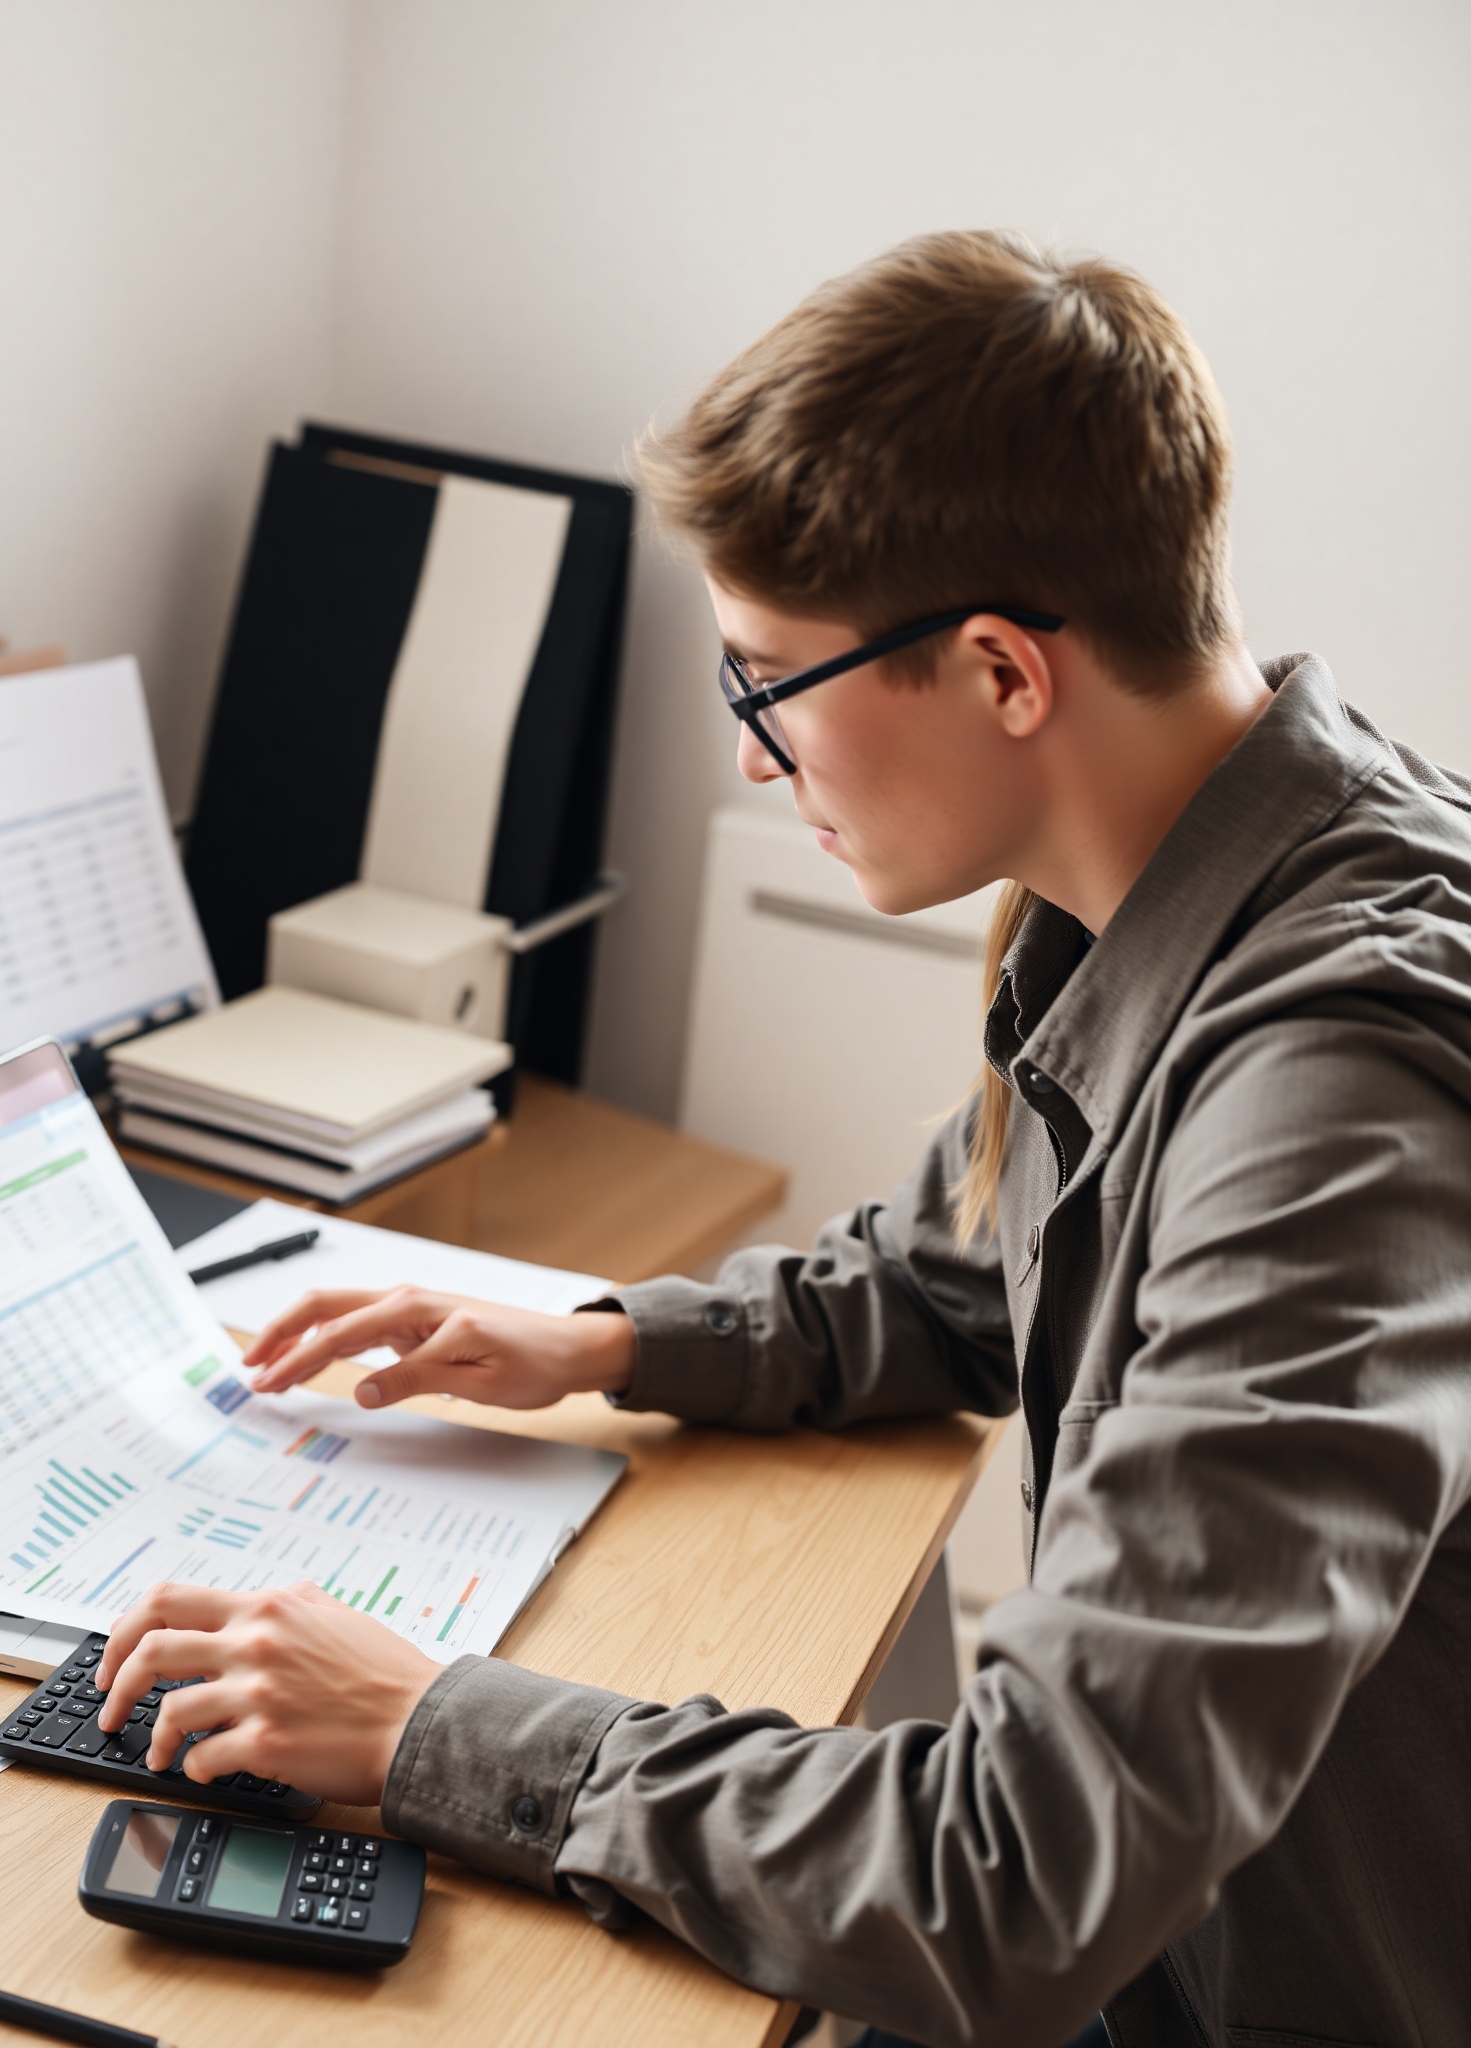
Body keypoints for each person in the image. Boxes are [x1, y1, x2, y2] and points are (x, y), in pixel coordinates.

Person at [93, 232, 1471, 2045]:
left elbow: (1017, 1873)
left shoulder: (1335, 1097)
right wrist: (611, 1337)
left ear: (999, 672)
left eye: (766, 681)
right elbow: (978, 1267)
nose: (753, 757)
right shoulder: (1190, 872)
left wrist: (436, 1727)